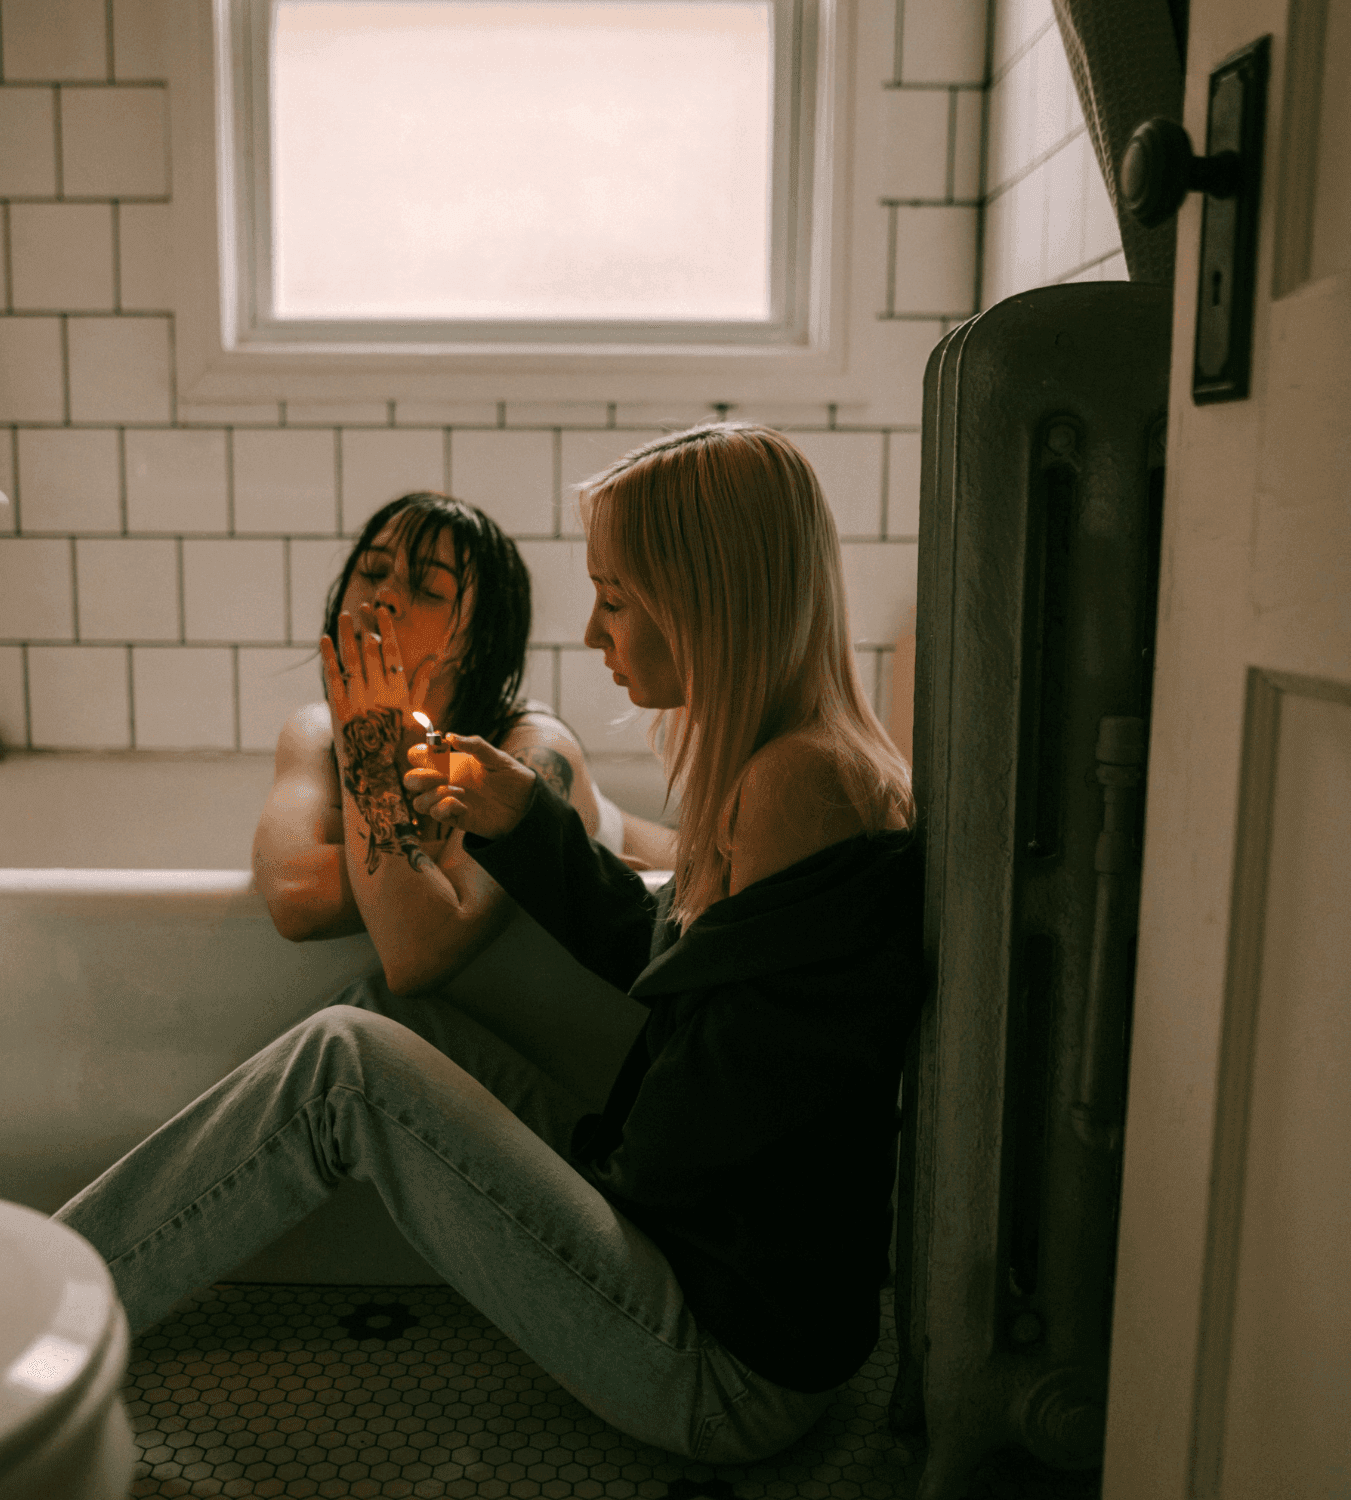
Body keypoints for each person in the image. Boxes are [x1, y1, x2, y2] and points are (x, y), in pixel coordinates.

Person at [54, 424, 923, 1465]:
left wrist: (584, 1187)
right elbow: (683, 968)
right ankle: (64, 1279)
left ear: (707, 600)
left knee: (348, 1062)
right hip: (713, 1275)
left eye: (616, 598)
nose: (597, 635)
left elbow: (745, 1102)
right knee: (386, 1021)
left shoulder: (796, 786)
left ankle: (46, 1301)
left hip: (721, 1361)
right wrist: (523, 821)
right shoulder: (805, 761)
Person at [251, 489, 676, 993]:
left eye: (429, 589)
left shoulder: (534, 747)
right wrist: (437, 853)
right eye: (371, 569)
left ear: (479, 641)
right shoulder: (317, 731)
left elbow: (419, 949)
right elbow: (299, 894)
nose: (383, 594)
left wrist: (370, 756)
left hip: (692, 869)